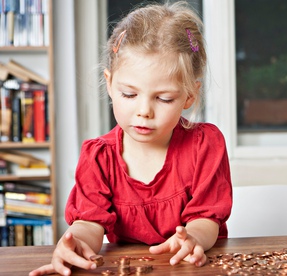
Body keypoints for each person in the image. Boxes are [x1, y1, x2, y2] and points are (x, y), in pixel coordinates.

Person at [29, 1, 232, 275]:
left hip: (191, 268)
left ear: (190, 95)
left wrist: (193, 238)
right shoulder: (98, 157)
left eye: (164, 98)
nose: (144, 111)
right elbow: (89, 224)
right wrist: (75, 243)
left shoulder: (205, 145)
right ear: (110, 83)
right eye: (129, 94)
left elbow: (206, 218)